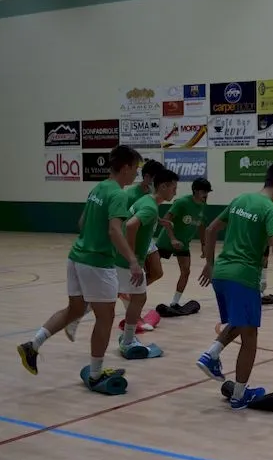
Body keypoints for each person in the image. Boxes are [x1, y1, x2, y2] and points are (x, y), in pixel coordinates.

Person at [17, 145, 143, 388]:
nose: (135, 174)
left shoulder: (98, 188)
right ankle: (96, 374)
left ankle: (32, 345)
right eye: (135, 169)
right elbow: (115, 230)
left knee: (75, 310)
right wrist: (133, 261)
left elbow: (82, 221)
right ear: (125, 167)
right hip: (96, 263)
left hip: (76, 257)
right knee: (105, 318)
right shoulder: (118, 194)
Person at [196, 162, 273, 408]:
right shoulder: (272, 211)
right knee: (250, 337)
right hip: (243, 276)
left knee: (241, 323)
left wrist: (209, 264)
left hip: (221, 273)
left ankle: (211, 354)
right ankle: (239, 395)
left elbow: (210, 230)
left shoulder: (240, 199)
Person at [64, 158, 165, 341]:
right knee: (120, 290)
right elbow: (124, 224)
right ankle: (83, 315)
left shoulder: (151, 194)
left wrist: (160, 222)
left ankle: (128, 297)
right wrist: (131, 255)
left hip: (145, 237)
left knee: (156, 273)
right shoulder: (130, 194)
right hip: (130, 241)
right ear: (148, 177)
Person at [116, 168, 179, 355]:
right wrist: (133, 258)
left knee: (136, 297)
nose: (175, 192)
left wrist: (158, 221)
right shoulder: (150, 207)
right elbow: (130, 225)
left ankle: (128, 338)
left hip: (119, 257)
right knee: (138, 297)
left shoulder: (146, 202)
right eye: (173, 188)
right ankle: (128, 340)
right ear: (164, 186)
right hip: (124, 261)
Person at [155, 176, 211, 310]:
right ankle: (134, 292)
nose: (206, 195)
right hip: (166, 241)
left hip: (184, 244)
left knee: (186, 271)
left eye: (208, 192)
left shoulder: (203, 206)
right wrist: (172, 238)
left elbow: (202, 226)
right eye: (204, 192)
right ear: (196, 191)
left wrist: (204, 245)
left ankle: (175, 302)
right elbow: (166, 220)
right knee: (152, 271)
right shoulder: (182, 203)